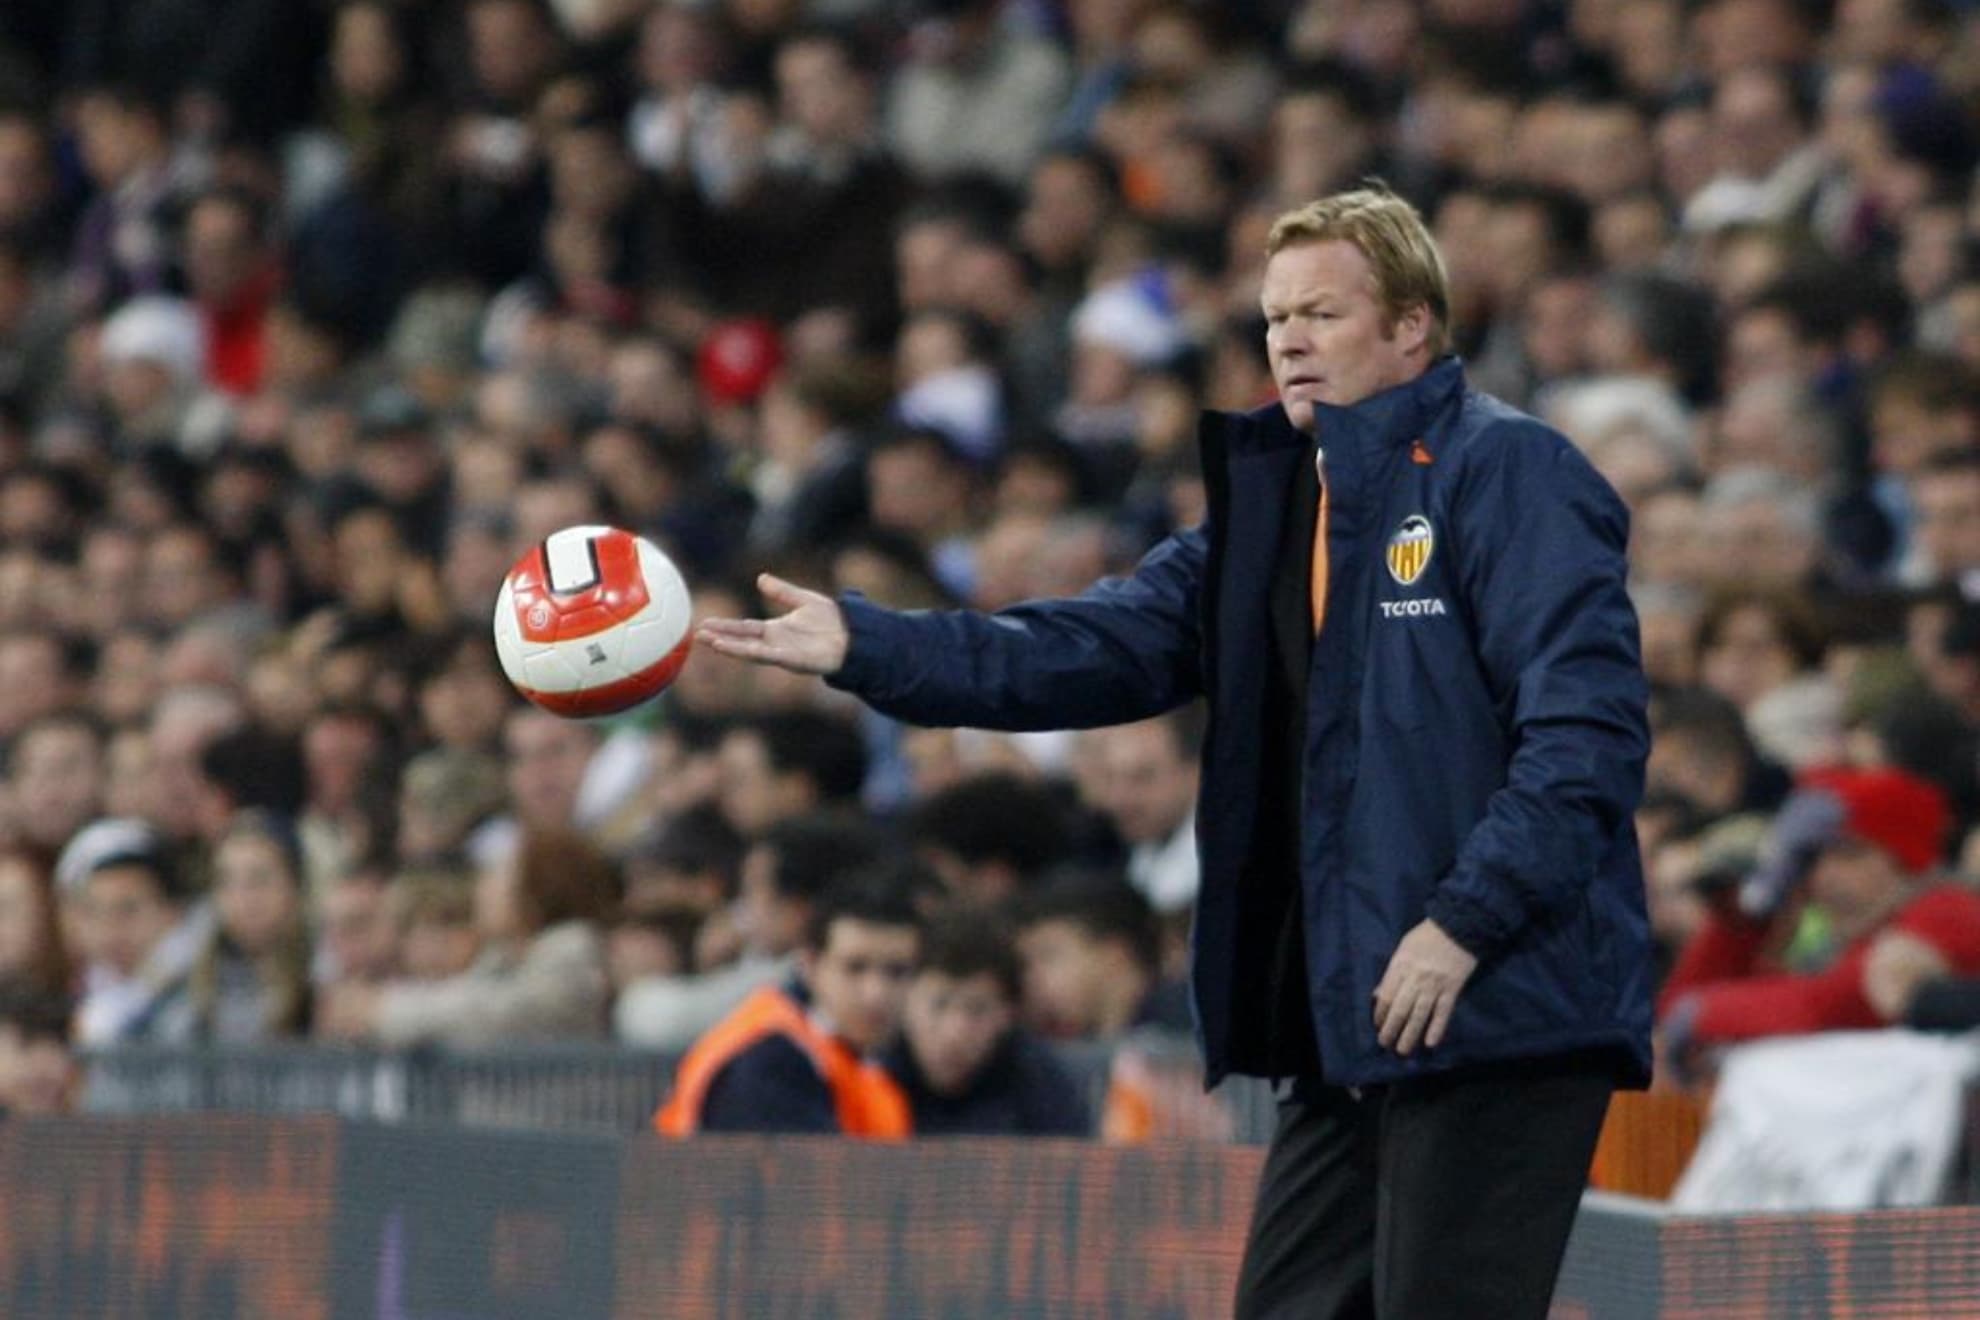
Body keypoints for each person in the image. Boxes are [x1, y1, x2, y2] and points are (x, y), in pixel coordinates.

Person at [699, 185, 1653, 1318]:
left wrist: (1461, 924)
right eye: (1272, 318)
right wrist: (868, 641)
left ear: (1413, 326)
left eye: (1323, 314)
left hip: (1496, 1010)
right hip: (1350, 1023)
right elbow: (1083, 648)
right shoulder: (1280, 510)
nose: (1289, 340)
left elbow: (1587, 741)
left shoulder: (1512, 473)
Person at [655, 876, 922, 1138]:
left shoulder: (872, 1055)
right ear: (809, 965)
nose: (876, 993)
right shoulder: (767, 1061)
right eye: (855, 968)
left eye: (896, 972)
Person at [885, 916, 1090, 1137]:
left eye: (977, 1009)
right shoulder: (871, 1075)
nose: (955, 1032)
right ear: (905, 1002)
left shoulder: (1042, 1083)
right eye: (939, 1005)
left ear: (1007, 1015)